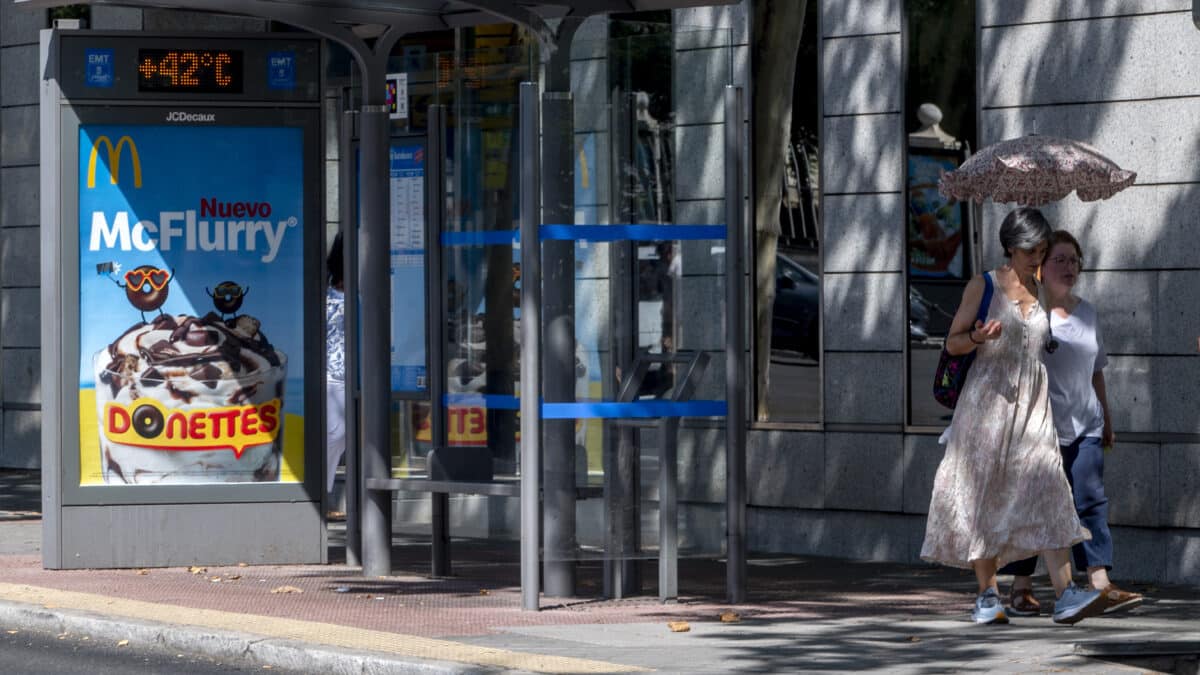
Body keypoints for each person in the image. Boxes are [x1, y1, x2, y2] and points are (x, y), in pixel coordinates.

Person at [920, 207, 1104, 625]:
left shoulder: (1040, 290)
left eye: (1041, 250)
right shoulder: (982, 286)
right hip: (987, 407)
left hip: (1034, 407)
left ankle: (1066, 594)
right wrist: (977, 337)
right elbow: (951, 344)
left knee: (1050, 487)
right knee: (983, 495)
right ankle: (988, 595)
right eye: (1030, 251)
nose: (1037, 258)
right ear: (1010, 248)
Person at [1001, 230, 1143, 617]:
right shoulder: (1029, 313)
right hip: (1040, 429)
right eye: (1059, 259)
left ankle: (1099, 581)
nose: (1068, 267)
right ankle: (1021, 585)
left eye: (1074, 260)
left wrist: (1107, 417)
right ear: (1042, 268)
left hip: (1087, 425)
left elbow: (1097, 372)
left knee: (1090, 501)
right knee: (1033, 506)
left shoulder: (1089, 312)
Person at [325, 233, 346, 498]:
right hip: (335, 375)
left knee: (341, 438)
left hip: (352, 376)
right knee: (336, 436)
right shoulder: (330, 299)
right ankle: (322, 490)